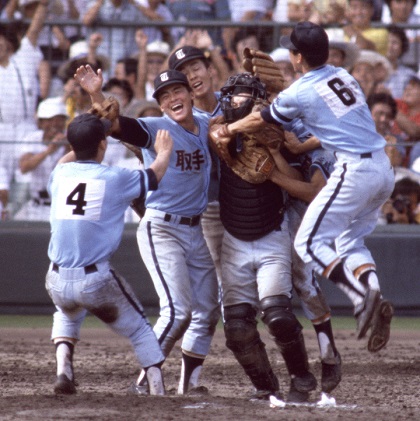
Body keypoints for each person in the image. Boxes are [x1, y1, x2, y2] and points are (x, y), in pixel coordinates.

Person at [213, 21, 395, 353]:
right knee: (349, 241)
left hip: (354, 169)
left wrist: (230, 129)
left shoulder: (300, 91)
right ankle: (374, 292)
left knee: (309, 243)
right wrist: (297, 144)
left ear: (297, 57)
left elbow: (260, 119)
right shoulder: (344, 76)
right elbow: (324, 118)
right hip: (383, 168)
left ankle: (360, 298)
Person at [75, 65, 220, 395]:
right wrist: (97, 94)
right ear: (161, 104)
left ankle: (190, 382)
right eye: (165, 96)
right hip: (163, 227)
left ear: (190, 92)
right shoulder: (158, 129)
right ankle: (143, 383)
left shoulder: (206, 123)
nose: (172, 99)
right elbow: (114, 125)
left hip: (195, 231)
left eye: (177, 91)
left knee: (209, 308)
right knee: (178, 311)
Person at [45, 112, 173, 395]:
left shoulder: (59, 175)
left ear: (72, 145)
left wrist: (80, 140)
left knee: (68, 310)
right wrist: (163, 151)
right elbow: (155, 175)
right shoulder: (116, 177)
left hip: (55, 279)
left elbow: (64, 161)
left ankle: (63, 369)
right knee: (139, 328)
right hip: (94, 281)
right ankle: (157, 390)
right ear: (103, 144)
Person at [210, 72, 318, 402]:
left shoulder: (279, 132)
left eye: (242, 96)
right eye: (231, 96)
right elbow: (216, 131)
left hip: (272, 235)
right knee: (238, 327)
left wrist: (274, 157)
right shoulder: (217, 129)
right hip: (233, 241)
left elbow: (298, 180)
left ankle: (301, 378)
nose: (235, 101)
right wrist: (238, 130)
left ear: (259, 101)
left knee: (279, 315)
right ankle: (265, 385)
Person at [168, 45, 224, 284]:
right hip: (210, 207)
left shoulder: (235, 102)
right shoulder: (179, 122)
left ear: (209, 69)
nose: (192, 76)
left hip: (248, 202)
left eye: (195, 67)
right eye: (184, 73)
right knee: (220, 276)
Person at [0, 0, 48, 220]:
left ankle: (21, 220)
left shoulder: (24, 58)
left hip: (26, 126)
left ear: (8, 44)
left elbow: (35, 28)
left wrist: (43, 5)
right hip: (2, 129)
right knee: (2, 179)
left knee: (24, 178)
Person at [14, 97, 69, 221]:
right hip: (37, 205)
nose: (55, 124)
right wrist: (49, 150)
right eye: (50, 120)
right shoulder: (32, 138)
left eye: (59, 120)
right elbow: (24, 167)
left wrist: (67, 147)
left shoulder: (70, 140)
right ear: (41, 122)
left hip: (61, 206)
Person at [383, 26, 417, 100]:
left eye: (394, 42)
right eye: (386, 42)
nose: (390, 46)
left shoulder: (409, 75)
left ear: (402, 47)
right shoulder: (370, 73)